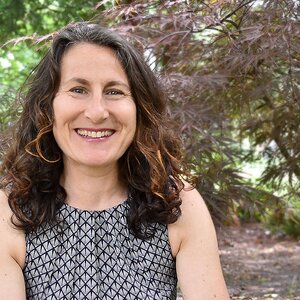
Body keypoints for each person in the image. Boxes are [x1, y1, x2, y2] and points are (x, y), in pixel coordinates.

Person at [0, 22, 229, 299]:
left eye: (114, 91)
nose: (97, 112)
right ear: (47, 108)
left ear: (139, 110)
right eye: (78, 89)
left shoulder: (177, 204)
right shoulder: (10, 211)